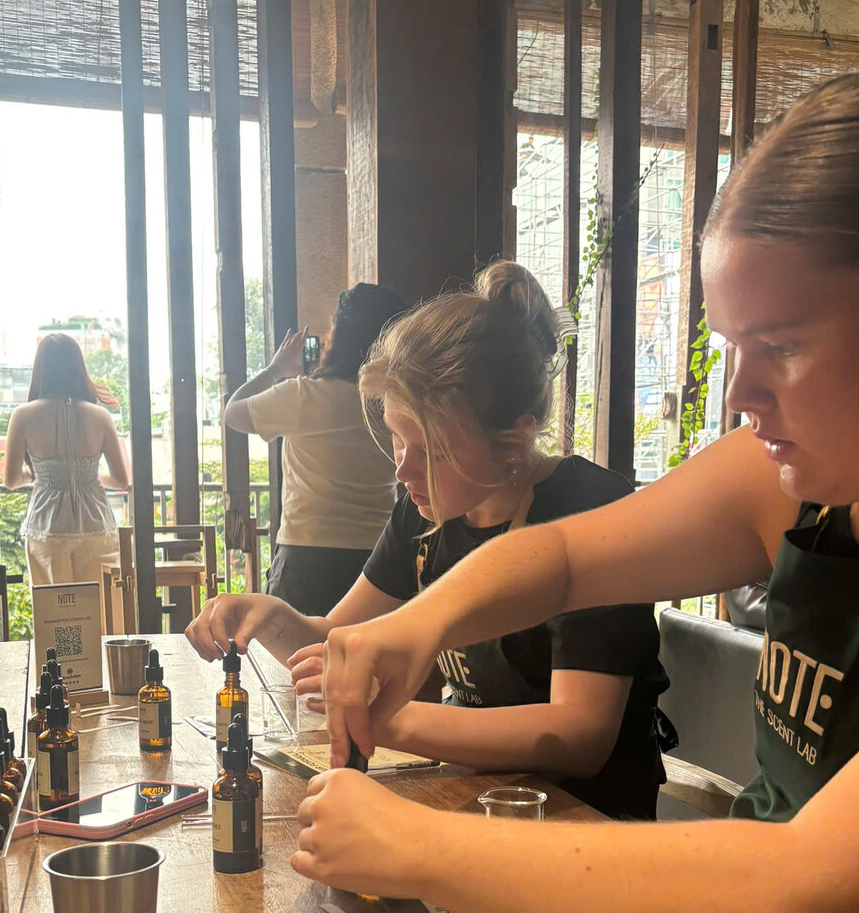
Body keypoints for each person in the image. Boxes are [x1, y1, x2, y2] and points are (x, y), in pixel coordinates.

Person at [294, 68, 859, 913]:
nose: (739, 395)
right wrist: (415, 628)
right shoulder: (796, 481)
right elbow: (569, 558)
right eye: (731, 347)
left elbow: (816, 905)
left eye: (780, 346)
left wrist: (415, 846)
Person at [189, 261, 670, 821]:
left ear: (514, 440)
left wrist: (390, 720)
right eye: (397, 441)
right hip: (471, 804)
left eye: (433, 451)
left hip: (588, 829)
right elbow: (338, 637)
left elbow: (578, 735)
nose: (404, 472)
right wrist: (270, 616)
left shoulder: (589, 512)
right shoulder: (425, 514)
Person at [222, 284, 403, 615]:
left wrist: (276, 369)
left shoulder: (303, 396)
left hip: (306, 555)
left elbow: (232, 414)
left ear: (339, 336)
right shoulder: (395, 402)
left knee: (291, 661)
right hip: (378, 557)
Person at [2, 333, 130, 588]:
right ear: (78, 367)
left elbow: (11, 480)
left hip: (47, 526)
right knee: (101, 611)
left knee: (54, 614)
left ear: (40, 369)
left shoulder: (23, 415)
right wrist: (89, 475)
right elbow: (121, 480)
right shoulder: (100, 416)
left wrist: (37, 473)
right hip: (95, 524)